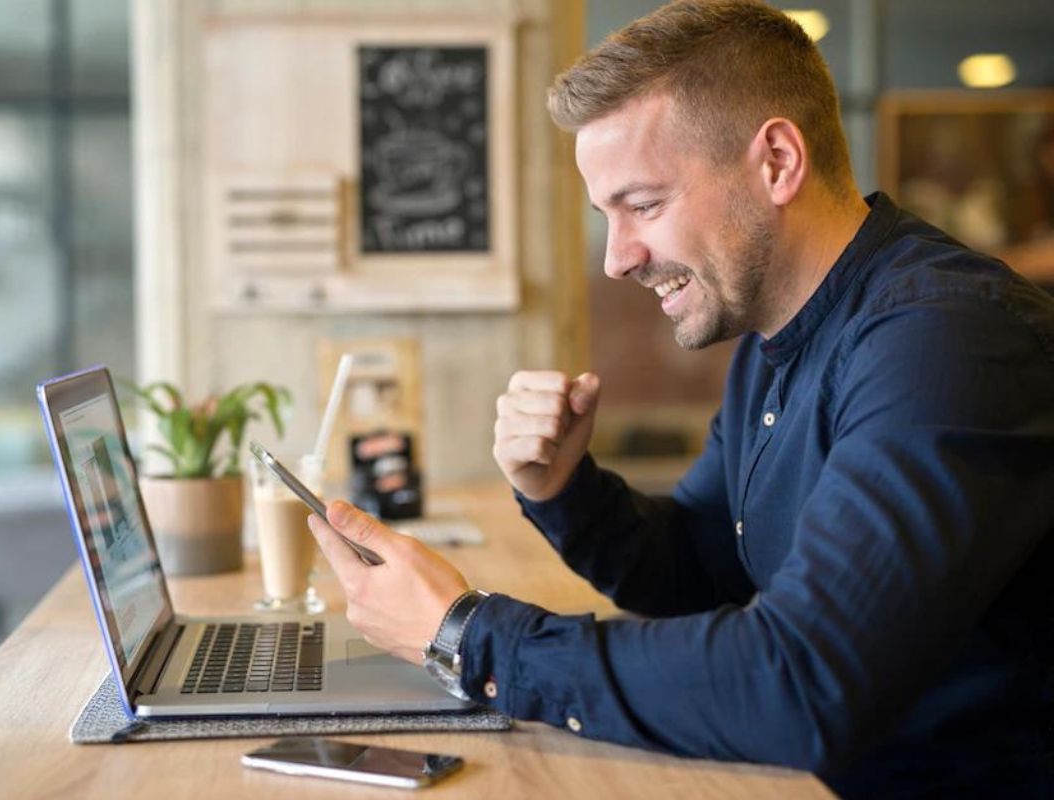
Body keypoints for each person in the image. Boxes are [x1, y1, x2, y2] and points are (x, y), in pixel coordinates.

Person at [305, 2, 1054, 796]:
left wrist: (468, 636)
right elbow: (700, 567)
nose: (618, 259)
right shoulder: (776, 333)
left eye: (643, 205)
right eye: (607, 216)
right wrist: (562, 488)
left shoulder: (947, 340)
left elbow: (799, 682)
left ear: (776, 161)